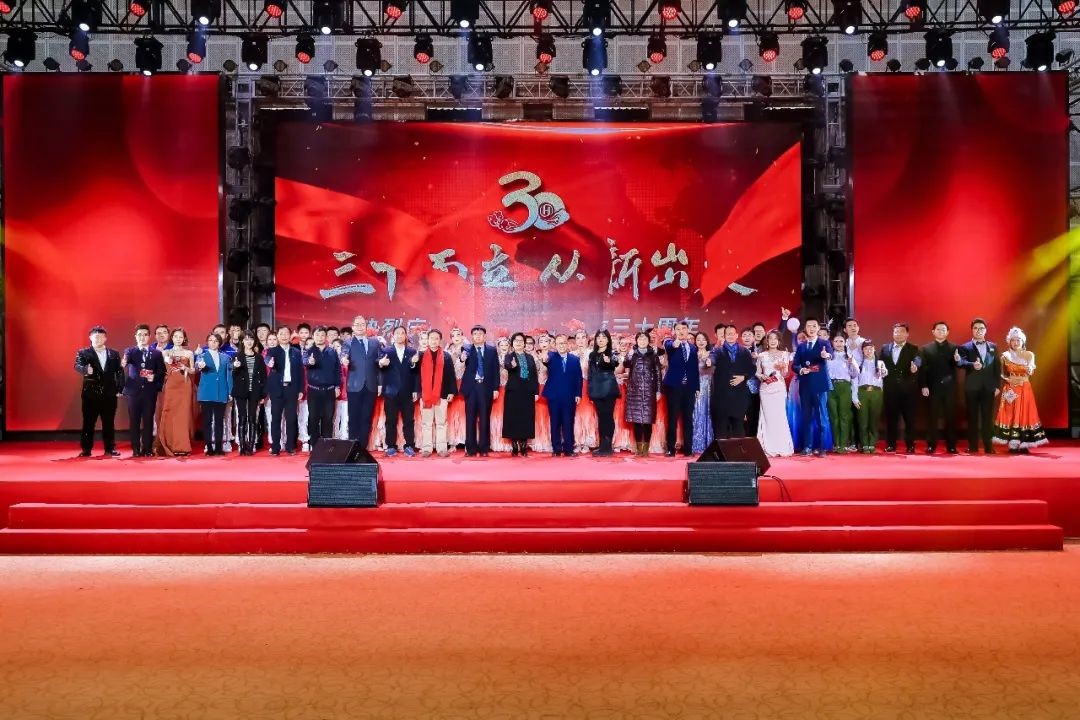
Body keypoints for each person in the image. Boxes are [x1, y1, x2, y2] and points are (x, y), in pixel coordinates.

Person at [993, 327, 1048, 453]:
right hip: (1011, 389)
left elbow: (1031, 370)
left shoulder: (1029, 355)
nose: (1016, 342)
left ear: (1023, 341)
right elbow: (1001, 374)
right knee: (1011, 414)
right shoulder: (1005, 356)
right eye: (1013, 340)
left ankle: (1024, 443)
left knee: (1025, 414)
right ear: (1009, 342)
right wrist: (1008, 380)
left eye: (1018, 340)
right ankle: (1012, 444)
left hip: (1024, 387)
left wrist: (1029, 369)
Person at [74, 326, 124, 457]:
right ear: (90, 337)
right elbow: (77, 365)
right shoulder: (84, 353)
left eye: (101, 336)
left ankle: (110, 448)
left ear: (105, 338)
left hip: (109, 393)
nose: (98, 339)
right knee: (88, 422)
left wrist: (120, 388)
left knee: (109, 422)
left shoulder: (113, 354)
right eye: (96, 336)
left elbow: (119, 371)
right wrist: (85, 369)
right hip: (90, 394)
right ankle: (86, 449)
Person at [956, 318, 1000, 455]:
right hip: (972, 388)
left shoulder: (993, 346)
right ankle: (973, 446)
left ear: (985, 330)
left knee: (988, 418)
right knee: (972, 418)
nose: (978, 330)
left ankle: (988, 446)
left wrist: (997, 386)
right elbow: (960, 363)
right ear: (972, 330)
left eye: (981, 328)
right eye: (975, 328)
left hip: (989, 388)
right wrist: (971, 365)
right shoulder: (965, 347)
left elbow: (997, 367)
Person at [121, 324, 165, 457]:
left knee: (148, 420)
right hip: (133, 392)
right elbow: (126, 360)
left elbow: (161, 371)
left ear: (149, 336)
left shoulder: (156, 353)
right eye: (139, 335)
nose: (142, 337)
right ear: (135, 336)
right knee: (134, 421)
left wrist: (154, 377)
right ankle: (135, 449)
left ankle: (147, 449)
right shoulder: (130, 351)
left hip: (149, 392)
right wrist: (124, 362)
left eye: (145, 335)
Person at [880, 322, 922, 454]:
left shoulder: (913, 348)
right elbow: (880, 363)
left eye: (902, 331)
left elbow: (918, 360)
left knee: (909, 420)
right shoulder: (885, 348)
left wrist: (915, 366)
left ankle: (910, 445)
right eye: (896, 331)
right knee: (891, 419)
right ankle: (891, 445)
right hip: (890, 389)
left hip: (908, 390)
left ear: (907, 334)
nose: (898, 334)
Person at [343, 315, 382, 450]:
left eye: (362, 324)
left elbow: (379, 360)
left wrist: (382, 362)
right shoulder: (348, 343)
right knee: (353, 418)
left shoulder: (374, 343)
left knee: (366, 418)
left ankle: (362, 448)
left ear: (366, 327)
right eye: (357, 324)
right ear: (353, 327)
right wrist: (344, 360)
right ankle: (352, 448)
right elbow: (344, 354)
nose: (360, 327)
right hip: (354, 385)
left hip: (371, 385)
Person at [378, 325, 418, 457]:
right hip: (391, 392)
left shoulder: (412, 351)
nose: (400, 335)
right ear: (393, 336)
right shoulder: (386, 351)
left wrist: (415, 390)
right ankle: (391, 446)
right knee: (390, 420)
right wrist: (381, 363)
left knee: (409, 420)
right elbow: (379, 366)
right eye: (397, 333)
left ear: (406, 336)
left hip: (407, 391)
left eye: (402, 333)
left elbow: (416, 373)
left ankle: (409, 445)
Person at [793, 318, 831, 457]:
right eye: (809, 326)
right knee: (806, 417)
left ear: (818, 328)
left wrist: (826, 355)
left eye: (814, 326)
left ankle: (822, 448)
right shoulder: (801, 346)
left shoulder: (824, 343)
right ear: (805, 328)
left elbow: (830, 355)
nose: (811, 328)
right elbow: (795, 365)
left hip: (819, 385)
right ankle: (807, 447)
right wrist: (801, 369)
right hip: (805, 385)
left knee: (821, 417)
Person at [155, 328, 197, 457]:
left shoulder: (189, 353)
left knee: (183, 415)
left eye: (181, 337)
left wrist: (186, 368)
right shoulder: (165, 352)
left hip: (184, 386)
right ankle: (169, 444)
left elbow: (193, 370)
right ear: (172, 338)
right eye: (176, 336)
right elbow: (163, 368)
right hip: (171, 385)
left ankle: (182, 446)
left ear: (184, 339)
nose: (178, 339)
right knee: (170, 414)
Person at [710, 324, 755, 440]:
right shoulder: (718, 351)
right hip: (722, 396)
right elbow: (712, 358)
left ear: (736, 335)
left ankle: (739, 451)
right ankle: (722, 451)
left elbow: (752, 369)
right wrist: (709, 362)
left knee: (738, 428)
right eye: (728, 334)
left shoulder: (744, 352)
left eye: (732, 334)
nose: (730, 336)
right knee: (721, 429)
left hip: (739, 396)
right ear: (724, 336)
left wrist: (743, 377)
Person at [265, 325, 305, 456]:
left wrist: (300, 389)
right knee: (276, 419)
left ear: (290, 335)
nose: (284, 336)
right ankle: (275, 447)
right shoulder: (272, 351)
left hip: (292, 389)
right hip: (277, 389)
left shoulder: (296, 352)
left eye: (286, 333)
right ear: (277, 336)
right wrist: (270, 363)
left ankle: (290, 446)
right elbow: (268, 359)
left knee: (291, 419)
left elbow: (300, 372)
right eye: (281, 333)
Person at [920, 321, 959, 455]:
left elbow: (958, 365)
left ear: (947, 332)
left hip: (949, 387)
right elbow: (923, 369)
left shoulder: (954, 347)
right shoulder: (926, 349)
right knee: (932, 417)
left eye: (943, 330)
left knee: (950, 417)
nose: (941, 332)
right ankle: (931, 445)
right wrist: (924, 385)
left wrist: (957, 360)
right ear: (933, 332)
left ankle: (951, 445)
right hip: (932, 387)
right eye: (938, 329)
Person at [460, 325, 500, 457]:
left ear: (484, 336)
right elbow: (461, 360)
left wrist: (495, 388)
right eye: (475, 334)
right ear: (472, 336)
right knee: (470, 419)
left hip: (485, 387)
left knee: (484, 418)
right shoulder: (467, 349)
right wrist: (462, 358)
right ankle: (470, 448)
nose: (477, 336)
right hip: (471, 388)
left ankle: (484, 448)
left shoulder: (492, 350)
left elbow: (495, 370)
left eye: (480, 334)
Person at [661, 321, 699, 457]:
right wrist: (676, 340)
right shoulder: (670, 343)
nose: (681, 331)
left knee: (688, 418)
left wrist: (697, 387)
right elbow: (671, 346)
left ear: (688, 330)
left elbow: (694, 369)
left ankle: (688, 449)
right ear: (674, 331)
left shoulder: (693, 348)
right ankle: (671, 449)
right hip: (674, 387)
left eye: (684, 328)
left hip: (689, 388)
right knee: (672, 418)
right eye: (678, 329)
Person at [417, 329, 458, 457]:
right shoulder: (420, 355)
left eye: (436, 338)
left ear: (440, 340)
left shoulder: (446, 356)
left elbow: (451, 375)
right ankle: (427, 448)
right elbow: (416, 375)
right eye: (431, 338)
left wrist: (451, 392)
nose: (434, 341)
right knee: (426, 423)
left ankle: (441, 448)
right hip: (426, 395)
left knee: (441, 422)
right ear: (427, 340)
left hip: (442, 394)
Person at [623, 331, 662, 457]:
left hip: (649, 392)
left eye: (645, 339)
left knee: (647, 421)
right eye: (640, 339)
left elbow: (658, 374)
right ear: (636, 341)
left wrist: (658, 390)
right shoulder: (632, 354)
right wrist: (628, 355)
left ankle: (646, 449)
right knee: (637, 421)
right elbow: (625, 364)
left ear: (648, 341)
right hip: (635, 392)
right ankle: (639, 448)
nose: (642, 341)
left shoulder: (653, 355)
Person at [543, 334, 583, 457]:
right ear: (555, 345)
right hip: (554, 396)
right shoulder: (551, 356)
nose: (562, 345)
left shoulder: (574, 359)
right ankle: (556, 449)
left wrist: (578, 393)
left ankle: (568, 449)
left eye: (564, 343)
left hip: (569, 396)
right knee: (555, 422)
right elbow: (545, 361)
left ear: (568, 344)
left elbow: (578, 377)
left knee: (568, 422)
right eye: (559, 343)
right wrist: (544, 357)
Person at [755, 330, 794, 457]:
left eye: (775, 339)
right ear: (766, 341)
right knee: (767, 418)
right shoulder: (762, 355)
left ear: (779, 341)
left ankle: (781, 446)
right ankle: (767, 447)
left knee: (779, 416)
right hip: (765, 389)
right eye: (770, 338)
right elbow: (757, 372)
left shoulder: (784, 354)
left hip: (779, 388)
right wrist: (762, 376)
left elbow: (785, 374)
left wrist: (782, 369)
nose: (772, 341)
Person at [304, 325, 342, 450]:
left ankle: (327, 448)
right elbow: (304, 361)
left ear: (326, 337)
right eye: (317, 335)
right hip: (314, 390)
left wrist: (337, 386)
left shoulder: (332, 351)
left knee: (328, 419)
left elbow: (337, 370)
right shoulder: (309, 351)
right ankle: (314, 447)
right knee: (313, 418)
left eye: (322, 335)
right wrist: (310, 362)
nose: (320, 337)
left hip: (329, 391)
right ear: (313, 336)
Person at [502, 332, 540, 457]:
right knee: (513, 417)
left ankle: (523, 446)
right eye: (516, 340)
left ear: (524, 343)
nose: (518, 343)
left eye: (521, 341)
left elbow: (534, 375)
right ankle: (514, 445)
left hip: (527, 391)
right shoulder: (509, 356)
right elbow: (507, 365)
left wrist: (536, 392)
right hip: (513, 391)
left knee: (526, 417)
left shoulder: (530, 357)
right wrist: (512, 366)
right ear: (512, 343)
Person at [196, 332, 233, 456]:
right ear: (207, 342)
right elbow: (198, 365)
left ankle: (218, 447)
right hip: (206, 393)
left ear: (219, 343)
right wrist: (200, 365)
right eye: (211, 340)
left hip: (221, 392)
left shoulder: (225, 358)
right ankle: (208, 447)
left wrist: (230, 391)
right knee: (207, 421)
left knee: (219, 421)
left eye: (216, 341)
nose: (213, 343)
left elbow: (228, 376)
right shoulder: (202, 355)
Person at [231, 331, 267, 456]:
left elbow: (263, 377)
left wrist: (263, 394)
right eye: (246, 339)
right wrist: (235, 367)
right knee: (242, 418)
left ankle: (251, 446)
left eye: (251, 339)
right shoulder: (237, 356)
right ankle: (242, 446)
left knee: (252, 418)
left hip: (255, 391)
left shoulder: (259, 357)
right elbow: (233, 374)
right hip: (241, 391)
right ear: (242, 341)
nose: (249, 342)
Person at [588, 329, 621, 457]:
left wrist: (609, 361)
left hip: (608, 389)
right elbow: (590, 374)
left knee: (608, 417)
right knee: (601, 417)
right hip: (596, 390)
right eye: (598, 337)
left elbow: (615, 363)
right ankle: (602, 446)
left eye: (603, 337)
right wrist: (590, 390)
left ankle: (607, 447)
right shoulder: (592, 354)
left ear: (608, 340)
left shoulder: (612, 352)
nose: (601, 339)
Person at [825, 334, 858, 454]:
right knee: (834, 416)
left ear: (845, 343)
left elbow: (854, 375)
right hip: (831, 387)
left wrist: (851, 363)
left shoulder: (849, 357)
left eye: (841, 341)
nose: (838, 343)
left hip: (844, 386)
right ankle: (836, 443)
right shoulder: (828, 357)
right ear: (832, 343)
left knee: (844, 416)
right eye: (836, 341)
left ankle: (843, 444)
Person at [854, 340, 886, 454]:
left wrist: (882, 371)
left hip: (876, 392)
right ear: (862, 351)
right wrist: (854, 397)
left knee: (874, 419)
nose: (868, 351)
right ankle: (864, 444)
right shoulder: (858, 363)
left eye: (870, 348)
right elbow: (854, 380)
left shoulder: (880, 363)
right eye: (866, 349)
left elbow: (885, 373)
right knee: (862, 420)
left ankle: (872, 443)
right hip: (862, 392)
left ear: (874, 349)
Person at [691, 332, 715, 454]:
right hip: (696, 386)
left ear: (707, 341)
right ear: (695, 342)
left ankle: (709, 443)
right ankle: (697, 444)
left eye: (703, 339)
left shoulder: (712, 354)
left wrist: (709, 362)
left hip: (710, 387)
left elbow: (713, 366)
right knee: (697, 413)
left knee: (709, 413)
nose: (701, 342)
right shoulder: (692, 355)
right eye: (698, 339)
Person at [741, 327, 762, 440]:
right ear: (741, 338)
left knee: (754, 416)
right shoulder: (736, 351)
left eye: (749, 335)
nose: (747, 337)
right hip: (739, 388)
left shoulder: (760, 352)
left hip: (755, 389)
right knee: (740, 416)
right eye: (744, 335)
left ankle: (753, 442)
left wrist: (757, 359)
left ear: (754, 338)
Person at [331, 338, 350, 441]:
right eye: (333, 347)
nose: (335, 349)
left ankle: (344, 436)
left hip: (346, 392)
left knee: (345, 417)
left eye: (338, 346)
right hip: (334, 392)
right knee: (335, 416)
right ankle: (335, 436)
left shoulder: (347, 360)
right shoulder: (331, 361)